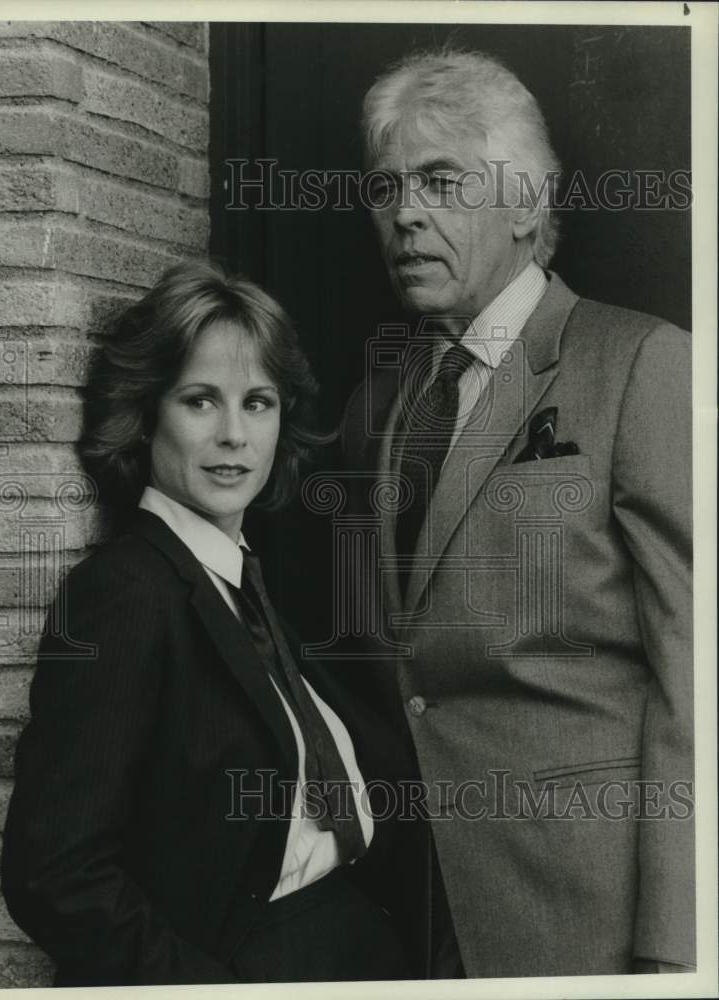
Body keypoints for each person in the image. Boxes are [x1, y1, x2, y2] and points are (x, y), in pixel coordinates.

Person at [341, 48, 694, 978]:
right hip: (424, 916)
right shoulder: (387, 404)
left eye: (442, 180)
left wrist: (679, 946)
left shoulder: (641, 366)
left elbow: (700, 678)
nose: (405, 213)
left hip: (591, 917)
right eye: (386, 188)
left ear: (528, 209)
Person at [1, 260, 417, 986]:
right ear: (144, 411)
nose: (234, 435)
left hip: (344, 945)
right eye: (200, 401)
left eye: (257, 402)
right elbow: (55, 873)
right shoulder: (124, 593)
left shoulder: (236, 579)